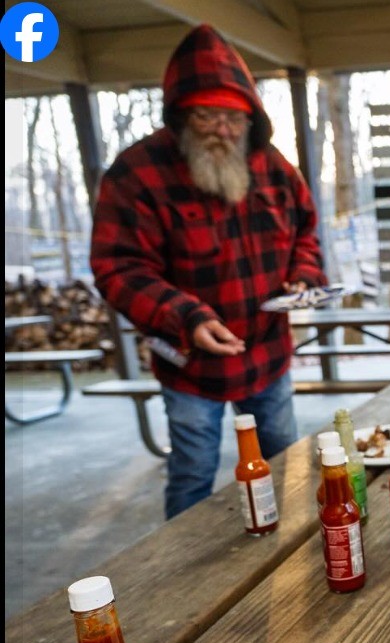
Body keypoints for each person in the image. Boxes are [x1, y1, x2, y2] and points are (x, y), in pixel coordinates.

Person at [91, 24, 326, 520]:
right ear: (181, 115)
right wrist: (187, 316)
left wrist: (304, 276)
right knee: (194, 474)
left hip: (267, 351)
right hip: (190, 365)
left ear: (251, 116)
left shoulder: (274, 167)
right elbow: (117, 267)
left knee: (287, 460)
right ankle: (183, 581)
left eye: (233, 118)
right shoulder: (136, 173)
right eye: (207, 116)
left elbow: (307, 231)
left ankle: (297, 550)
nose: (223, 129)